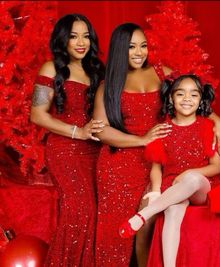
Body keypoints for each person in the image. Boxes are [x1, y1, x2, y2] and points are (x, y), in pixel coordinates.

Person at [93, 23, 220, 267]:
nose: (139, 52)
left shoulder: (161, 72)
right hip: (120, 164)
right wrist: (142, 140)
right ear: (119, 49)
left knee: (147, 227)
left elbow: (189, 95)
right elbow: (101, 131)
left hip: (161, 160)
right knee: (115, 235)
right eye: (131, 47)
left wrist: (217, 120)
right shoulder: (108, 85)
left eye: (143, 46)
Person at [119, 74, 220, 267]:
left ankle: (143, 215)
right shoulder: (163, 129)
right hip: (173, 187)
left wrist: (188, 174)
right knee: (173, 210)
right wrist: (156, 191)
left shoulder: (207, 126)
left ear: (200, 100)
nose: (187, 99)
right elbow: (156, 166)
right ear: (171, 98)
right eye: (180, 94)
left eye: (193, 95)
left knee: (192, 178)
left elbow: (216, 166)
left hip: (201, 188)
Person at [30, 14, 105, 266]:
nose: (81, 42)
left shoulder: (97, 70)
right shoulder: (51, 68)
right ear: (63, 40)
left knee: (97, 214)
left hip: (96, 151)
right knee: (80, 212)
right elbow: (37, 115)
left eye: (85, 36)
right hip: (65, 150)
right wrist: (78, 132)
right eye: (73, 36)